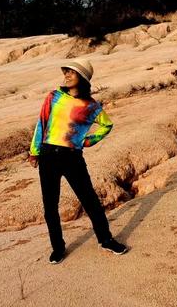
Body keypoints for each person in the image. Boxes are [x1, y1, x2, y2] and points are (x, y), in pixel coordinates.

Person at [28, 58, 128, 264]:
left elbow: (106, 125)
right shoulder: (53, 97)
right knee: (50, 206)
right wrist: (34, 151)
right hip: (48, 155)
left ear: (82, 78)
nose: (66, 75)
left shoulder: (91, 106)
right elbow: (42, 123)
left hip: (72, 157)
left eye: (71, 72)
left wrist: (88, 141)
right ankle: (58, 247)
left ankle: (106, 239)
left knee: (90, 200)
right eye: (66, 71)